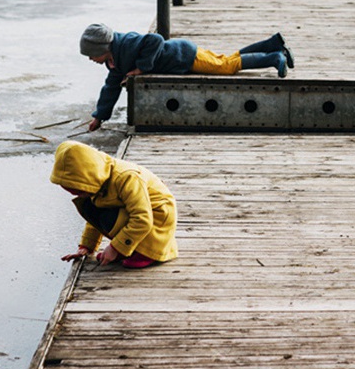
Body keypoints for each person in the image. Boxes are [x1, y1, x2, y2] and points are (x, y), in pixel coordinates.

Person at [80, 24, 295, 132]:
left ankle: (273, 57)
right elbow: (111, 88)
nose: (91, 59)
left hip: (184, 56)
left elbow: (155, 40)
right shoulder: (114, 61)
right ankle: (272, 44)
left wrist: (140, 69)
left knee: (227, 67)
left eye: (91, 54)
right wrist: (100, 116)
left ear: (103, 47)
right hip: (182, 56)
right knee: (226, 59)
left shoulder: (125, 44)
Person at [50, 140, 178, 269]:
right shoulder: (97, 178)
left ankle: (147, 252)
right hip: (133, 214)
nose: (78, 195)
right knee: (89, 207)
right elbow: (96, 212)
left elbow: (142, 218)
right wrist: (86, 246)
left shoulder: (127, 177)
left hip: (157, 217)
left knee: (109, 219)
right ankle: (127, 249)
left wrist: (114, 248)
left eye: (81, 191)